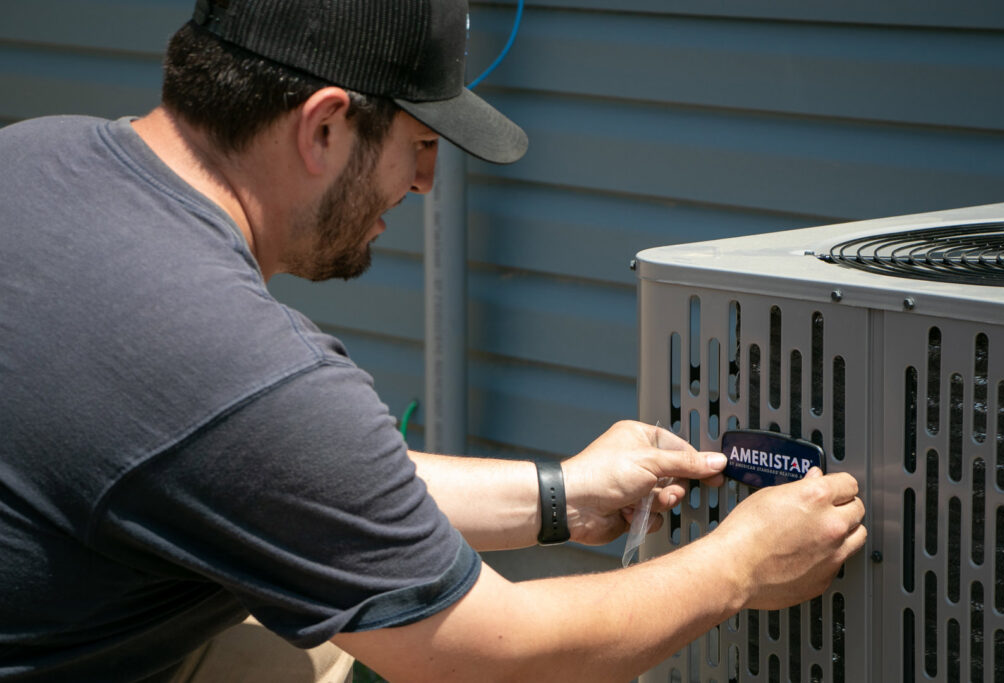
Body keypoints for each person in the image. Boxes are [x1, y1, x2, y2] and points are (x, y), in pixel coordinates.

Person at [0, 0, 867, 681]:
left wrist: (560, 495)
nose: (423, 180)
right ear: (324, 125)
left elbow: (262, 472)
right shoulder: (236, 364)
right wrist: (740, 566)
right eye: (418, 143)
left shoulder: (38, 155)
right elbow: (496, 656)